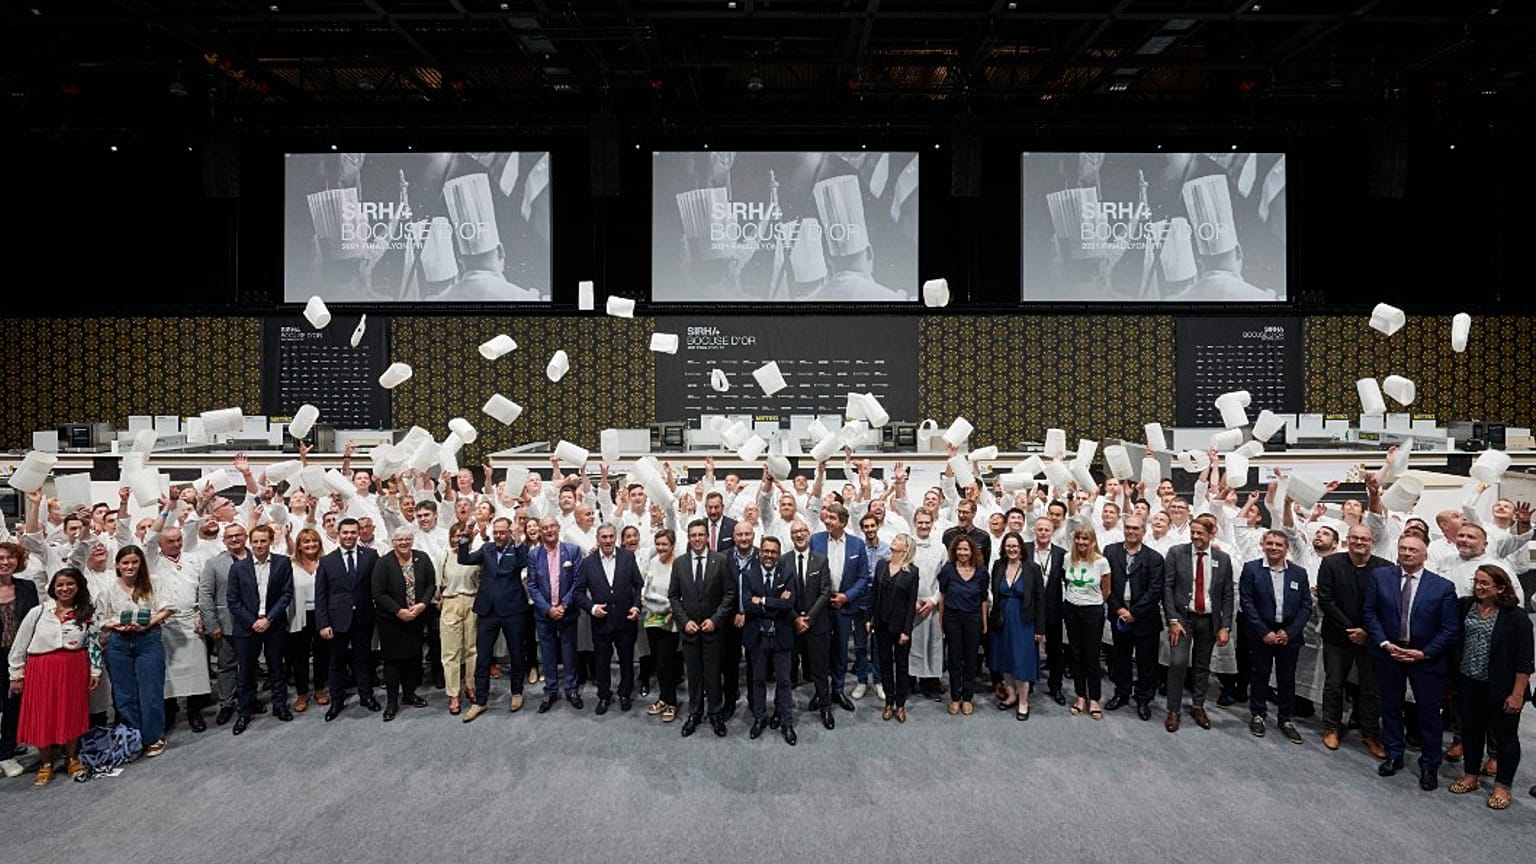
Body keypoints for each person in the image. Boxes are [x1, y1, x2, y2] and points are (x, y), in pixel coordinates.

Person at [1363, 533, 1460, 790]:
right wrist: (1384, 643)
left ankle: (1430, 764)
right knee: (1390, 707)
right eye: (1403, 548)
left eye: (1412, 550)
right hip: (1389, 654)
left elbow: (1450, 629)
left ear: (1425, 555)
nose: (1406, 553)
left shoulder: (1442, 587)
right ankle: (1394, 755)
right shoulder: (1381, 577)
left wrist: (1425, 653)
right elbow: (1370, 613)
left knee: (1429, 715)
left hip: (1425, 659)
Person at [1448, 565, 1532, 810]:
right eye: (1477, 582)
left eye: (1485, 583)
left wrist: (1517, 694)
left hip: (1503, 688)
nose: (1479, 587)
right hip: (1468, 682)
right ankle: (1471, 775)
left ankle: (1502, 785)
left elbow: (1525, 660)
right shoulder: (1465, 606)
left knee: (1506, 737)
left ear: (1501, 587)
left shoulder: (1516, 617)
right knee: (1471, 731)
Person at [6, 569, 101, 786]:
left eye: (70, 584)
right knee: (43, 714)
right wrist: (16, 674)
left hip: (74, 668)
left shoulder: (86, 613)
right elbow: (20, 644)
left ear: (78, 587)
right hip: (42, 669)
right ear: (53, 588)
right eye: (60, 585)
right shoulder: (39, 612)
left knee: (71, 713)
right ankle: (46, 762)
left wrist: (95, 670)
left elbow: (93, 644)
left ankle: (72, 758)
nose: (65, 589)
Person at [1315, 523, 1390, 756]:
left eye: (1364, 539)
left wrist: (1366, 631)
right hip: (1338, 635)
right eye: (1355, 538)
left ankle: (1370, 734)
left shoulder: (1385, 568)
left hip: (1371, 637)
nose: (1360, 542)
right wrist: (1352, 629)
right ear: (1348, 540)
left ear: (1372, 542)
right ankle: (1331, 728)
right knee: (1334, 684)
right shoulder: (1330, 563)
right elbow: (1326, 600)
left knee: (1371, 688)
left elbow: (1386, 605)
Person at [1239, 530, 1313, 744]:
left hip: (1289, 634)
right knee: (1260, 675)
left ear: (1286, 548)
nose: (1273, 547)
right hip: (1262, 633)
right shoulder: (1252, 569)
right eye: (1269, 543)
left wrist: (1290, 632)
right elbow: (1247, 603)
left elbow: (1306, 606)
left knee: (1287, 678)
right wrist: (1264, 632)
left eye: (1278, 544)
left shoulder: (1299, 573)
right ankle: (1258, 714)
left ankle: (1286, 718)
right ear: (1263, 545)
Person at [1162, 514, 1234, 733]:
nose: (1195, 537)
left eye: (1200, 533)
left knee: (1202, 666)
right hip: (1183, 619)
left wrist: (1225, 626)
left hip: (1209, 620)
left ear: (1212, 533)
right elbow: (1167, 588)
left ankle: (1198, 705)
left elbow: (1228, 595)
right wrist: (1172, 619)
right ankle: (1173, 710)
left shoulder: (1223, 559)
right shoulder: (1176, 553)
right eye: (1192, 532)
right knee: (1177, 663)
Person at [97, 545, 171, 755]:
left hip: (148, 640)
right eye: (125, 563)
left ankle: (153, 736)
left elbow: (168, 608)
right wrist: (115, 624)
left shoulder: (153, 583)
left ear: (141, 564)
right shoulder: (108, 588)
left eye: (134, 562)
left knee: (151, 690)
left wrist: (148, 624)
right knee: (124, 693)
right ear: (118, 565)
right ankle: (134, 734)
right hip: (118, 643)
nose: (130, 566)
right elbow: (101, 618)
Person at [669, 519, 735, 738]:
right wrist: (684, 620)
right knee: (694, 675)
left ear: (707, 537)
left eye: (700, 535)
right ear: (688, 538)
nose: (697, 539)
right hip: (689, 630)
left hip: (713, 630)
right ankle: (694, 713)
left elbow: (729, 594)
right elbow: (673, 596)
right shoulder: (679, 563)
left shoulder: (721, 560)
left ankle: (716, 713)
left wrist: (715, 619)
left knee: (714, 674)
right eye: (693, 535)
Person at [227, 525, 295, 735]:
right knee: (246, 671)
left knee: (276, 667)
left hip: (274, 624)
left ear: (271, 541)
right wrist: (252, 622)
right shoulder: (238, 567)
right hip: (247, 626)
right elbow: (233, 600)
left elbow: (286, 594)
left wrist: (269, 619)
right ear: (250, 542)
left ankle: (280, 706)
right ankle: (245, 712)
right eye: (255, 541)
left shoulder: (282, 563)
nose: (258, 545)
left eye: (263, 541)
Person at [571, 523, 644, 715]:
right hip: (601, 622)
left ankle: (625, 693)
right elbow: (578, 592)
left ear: (615, 538)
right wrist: (592, 608)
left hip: (625, 620)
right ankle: (604, 695)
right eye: (604, 537)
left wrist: (636, 606)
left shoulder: (628, 557)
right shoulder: (588, 562)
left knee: (627, 660)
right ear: (598, 539)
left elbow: (638, 585)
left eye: (611, 536)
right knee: (602, 662)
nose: (608, 540)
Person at [458, 518, 526, 722]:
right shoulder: (486, 548)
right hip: (488, 610)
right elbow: (464, 559)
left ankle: (517, 692)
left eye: (502, 532)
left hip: (513, 609)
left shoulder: (516, 548)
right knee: (483, 657)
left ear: (509, 533)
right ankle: (480, 700)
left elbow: (523, 563)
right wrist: (466, 536)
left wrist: (518, 539)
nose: (498, 536)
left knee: (516, 653)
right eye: (495, 532)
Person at [314, 518, 381, 721]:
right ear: (339, 533)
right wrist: (323, 623)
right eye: (346, 532)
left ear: (358, 533)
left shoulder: (370, 556)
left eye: (353, 532)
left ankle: (366, 696)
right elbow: (321, 595)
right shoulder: (327, 561)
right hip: (336, 620)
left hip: (363, 617)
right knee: (336, 662)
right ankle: (336, 701)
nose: (349, 536)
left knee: (363, 659)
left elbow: (376, 587)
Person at [1104, 515, 1165, 721]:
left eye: (1136, 529)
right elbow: (1106, 585)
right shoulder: (1110, 552)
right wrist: (1119, 610)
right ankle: (1121, 693)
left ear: (1143, 531)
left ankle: (1143, 699)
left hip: (1145, 618)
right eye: (1128, 528)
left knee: (1146, 662)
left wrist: (1134, 613)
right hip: (1119, 615)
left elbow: (1155, 590)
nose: (1131, 531)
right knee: (1120, 659)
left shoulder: (1154, 558)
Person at [371, 527, 435, 721]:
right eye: (400, 540)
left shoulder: (422, 558)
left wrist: (423, 604)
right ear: (393, 542)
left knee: (413, 659)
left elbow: (431, 584)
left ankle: (409, 694)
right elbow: (378, 592)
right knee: (393, 662)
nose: (404, 543)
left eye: (408, 539)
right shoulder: (384, 563)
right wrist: (399, 611)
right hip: (392, 620)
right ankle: (392, 702)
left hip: (416, 617)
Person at [811, 502, 869, 712]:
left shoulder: (857, 545)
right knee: (820, 651)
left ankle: (838, 689)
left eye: (832, 518)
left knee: (841, 651)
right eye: (827, 517)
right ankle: (821, 692)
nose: (827, 521)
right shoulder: (815, 540)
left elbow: (864, 578)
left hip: (844, 606)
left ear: (843, 522)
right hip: (821, 606)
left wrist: (847, 596)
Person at [742, 536, 798, 743]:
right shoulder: (749, 575)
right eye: (766, 551)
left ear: (779, 554)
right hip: (757, 638)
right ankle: (759, 718)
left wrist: (763, 601)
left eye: (773, 552)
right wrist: (776, 602)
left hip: (781, 637)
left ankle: (787, 722)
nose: (769, 555)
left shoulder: (788, 574)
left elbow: (789, 604)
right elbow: (747, 605)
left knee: (784, 682)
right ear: (759, 552)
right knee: (757, 680)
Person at [526, 516, 583, 713]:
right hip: (544, 613)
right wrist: (548, 609)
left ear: (558, 528)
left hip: (567, 611)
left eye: (552, 526)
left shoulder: (572, 551)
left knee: (569, 651)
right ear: (540, 532)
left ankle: (571, 689)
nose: (549, 530)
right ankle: (550, 690)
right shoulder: (534, 555)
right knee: (548, 653)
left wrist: (563, 605)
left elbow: (577, 582)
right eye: (544, 528)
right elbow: (532, 585)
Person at [990, 531, 1046, 721]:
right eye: (1008, 546)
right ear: (1004, 548)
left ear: (1021, 547)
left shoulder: (1033, 569)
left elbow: (1040, 599)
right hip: (1002, 620)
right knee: (1005, 658)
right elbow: (994, 593)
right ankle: (1011, 694)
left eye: (1015, 546)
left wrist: (1040, 629)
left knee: (1022, 661)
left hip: (1024, 621)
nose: (1012, 549)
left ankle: (1023, 701)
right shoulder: (998, 566)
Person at [787, 519, 836, 731]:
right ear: (791, 536)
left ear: (808, 533)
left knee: (819, 670)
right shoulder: (783, 561)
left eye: (802, 530)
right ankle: (784, 711)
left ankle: (825, 708)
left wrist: (808, 618)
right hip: (790, 624)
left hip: (816, 624)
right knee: (787, 672)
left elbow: (826, 592)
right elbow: (780, 593)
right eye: (795, 532)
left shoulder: (821, 560)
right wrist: (796, 618)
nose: (799, 534)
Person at [1061, 526, 1111, 719]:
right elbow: (1068, 582)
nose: (1081, 542)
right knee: (1075, 654)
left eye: (1085, 539)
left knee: (1091, 656)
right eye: (1078, 539)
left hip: (1093, 612)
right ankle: (1080, 695)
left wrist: (1092, 602)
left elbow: (1106, 590)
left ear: (1092, 541)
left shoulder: (1101, 562)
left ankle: (1095, 698)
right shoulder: (1068, 559)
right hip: (1071, 609)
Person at [0, 542, 41, 777]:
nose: (5, 562)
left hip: (19, 656)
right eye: (1, 558)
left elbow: (34, 623)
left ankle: (6, 754)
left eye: (10, 558)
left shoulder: (27, 587)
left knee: (13, 706)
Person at [937, 534, 989, 716]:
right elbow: (942, 596)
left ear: (972, 551)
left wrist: (984, 622)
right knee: (954, 659)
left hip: (973, 619)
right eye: (959, 549)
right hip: (952, 618)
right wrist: (941, 620)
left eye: (966, 549)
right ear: (954, 551)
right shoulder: (947, 570)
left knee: (971, 660)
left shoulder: (981, 571)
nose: (962, 553)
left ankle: (967, 697)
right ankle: (955, 697)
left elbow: (984, 600)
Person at [871, 534, 919, 723]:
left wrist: (906, 631)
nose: (894, 540)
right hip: (881, 624)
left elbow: (910, 604)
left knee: (901, 665)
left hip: (900, 628)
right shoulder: (882, 565)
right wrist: (870, 618)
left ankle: (901, 704)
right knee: (884, 663)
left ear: (906, 548)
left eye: (899, 539)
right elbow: (874, 593)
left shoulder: (912, 572)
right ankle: (889, 702)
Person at [438, 522, 482, 717]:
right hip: (450, 601)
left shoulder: (475, 556)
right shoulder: (445, 555)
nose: (458, 539)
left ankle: (470, 686)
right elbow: (439, 583)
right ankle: (453, 694)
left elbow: (481, 580)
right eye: (455, 535)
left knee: (471, 649)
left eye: (462, 535)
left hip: (472, 601)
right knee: (450, 652)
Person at [284, 527, 328, 714]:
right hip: (297, 615)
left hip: (321, 615)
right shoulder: (289, 564)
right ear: (299, 546)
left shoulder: (326, 563)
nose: (311, 545)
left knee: (322, 654)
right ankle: (302, 693)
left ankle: (319, 689)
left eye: (314, 541)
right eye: (306, 542)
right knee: (299, 656)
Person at [641, 529, 682, 723]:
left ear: (672, 545)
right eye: (658, 544)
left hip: (670, 622)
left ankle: (672, 701)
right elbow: (647, 588)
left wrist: (674, 611)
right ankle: (663, 698)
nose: (660, 548)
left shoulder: (679, 564)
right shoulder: (652, 562)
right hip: (652, 620)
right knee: (658, 662)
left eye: (664, 544)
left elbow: (683, 593)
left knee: (667, 662)